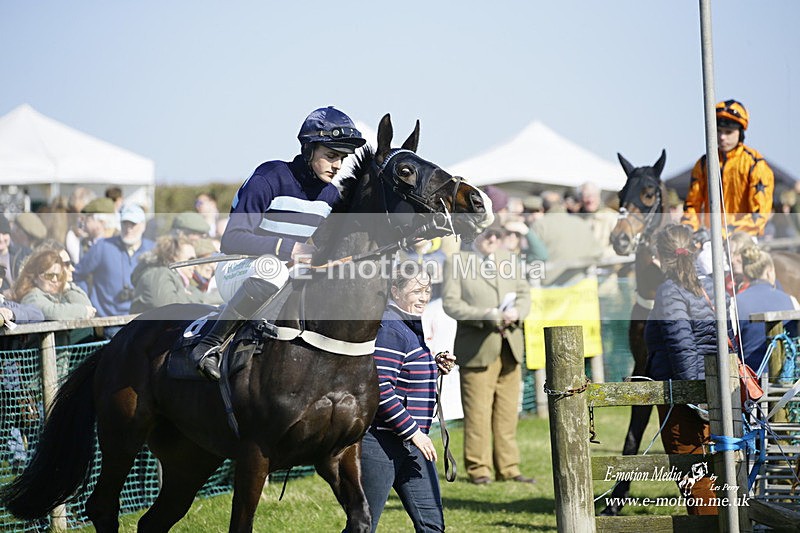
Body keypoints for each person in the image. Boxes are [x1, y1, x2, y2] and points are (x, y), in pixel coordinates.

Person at [189, 106, 366, 381]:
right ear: (309, 150)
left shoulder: (330, 195)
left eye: (342, 158)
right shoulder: (269, 177)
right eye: (331, 156)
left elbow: (322, 248)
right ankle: (208, 344)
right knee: (274, 269)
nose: (337, 166)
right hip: (236, 268)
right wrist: (290, 248)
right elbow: (232, 238)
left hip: (281, 273)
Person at [360, 267, 455, 532]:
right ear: (395, 291)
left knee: (432, 526)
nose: (424, 297)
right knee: (363, 527)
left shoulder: (408, 325)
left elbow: (402, 373)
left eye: (427, 291)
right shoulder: (390, 327)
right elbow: (379, 388)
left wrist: (434, 366)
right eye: (416, 291)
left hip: (413, 445)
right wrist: (415, 433)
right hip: (381, 444)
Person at [441, 224, 534, 485]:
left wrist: (519, 312)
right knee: (478, 414)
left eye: (497, 234)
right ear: (474, 235)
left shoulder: (510, 259)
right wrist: (486, 316)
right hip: (477, 349)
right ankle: (479, 469)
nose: (493, 239)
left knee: (507, 413)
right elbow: (451, 304)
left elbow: (525, 294)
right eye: (487, 234)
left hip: (510, 347)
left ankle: (509, 468)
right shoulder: (457, 261)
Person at [644, 224, 719, 515]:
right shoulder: (710, 284)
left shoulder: (670, 290)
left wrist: (696, 402)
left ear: (662, 257)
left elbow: (682, 346)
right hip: (711, 391)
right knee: (714, 475)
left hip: (687, 399)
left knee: (694, 476)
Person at [682, 99, 775, 238]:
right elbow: (692, 206)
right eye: (718, 131)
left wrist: (725, 232)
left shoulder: (755, 164)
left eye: (728, 132)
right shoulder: (703, 164)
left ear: (740, 133)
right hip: (709, 237)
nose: (722, 137)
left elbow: (759, 216)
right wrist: (689, 230)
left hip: (745, 237)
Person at [73, 203, 155, 317]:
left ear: (143, 226)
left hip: (141, 321)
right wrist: (86, 300)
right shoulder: (102, 246)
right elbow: (77, 274)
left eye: (133, 224)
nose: (128, 229)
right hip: (108, 322)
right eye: (125, 223)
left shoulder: (153, 250)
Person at [734, 246, 799, 371]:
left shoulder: (736, 302)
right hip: (788, 379)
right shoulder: (791, 300)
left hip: (751, 381)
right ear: (770, 271)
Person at [130, 236, 207, 313]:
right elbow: (170, 307)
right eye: (191, 259)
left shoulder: (178, 280)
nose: (195, 265)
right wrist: (189, 296)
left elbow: (202, 297)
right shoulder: (159, 274)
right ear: (174, 258)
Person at [13, 249, 96, 320]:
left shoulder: (57, 294)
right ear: (35, 278)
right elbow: (53, 312)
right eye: (49, 276)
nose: (55, 280)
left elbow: (88, 307)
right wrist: (83, 311)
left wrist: (66, 288)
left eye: (58, 275)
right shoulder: (31, 297)